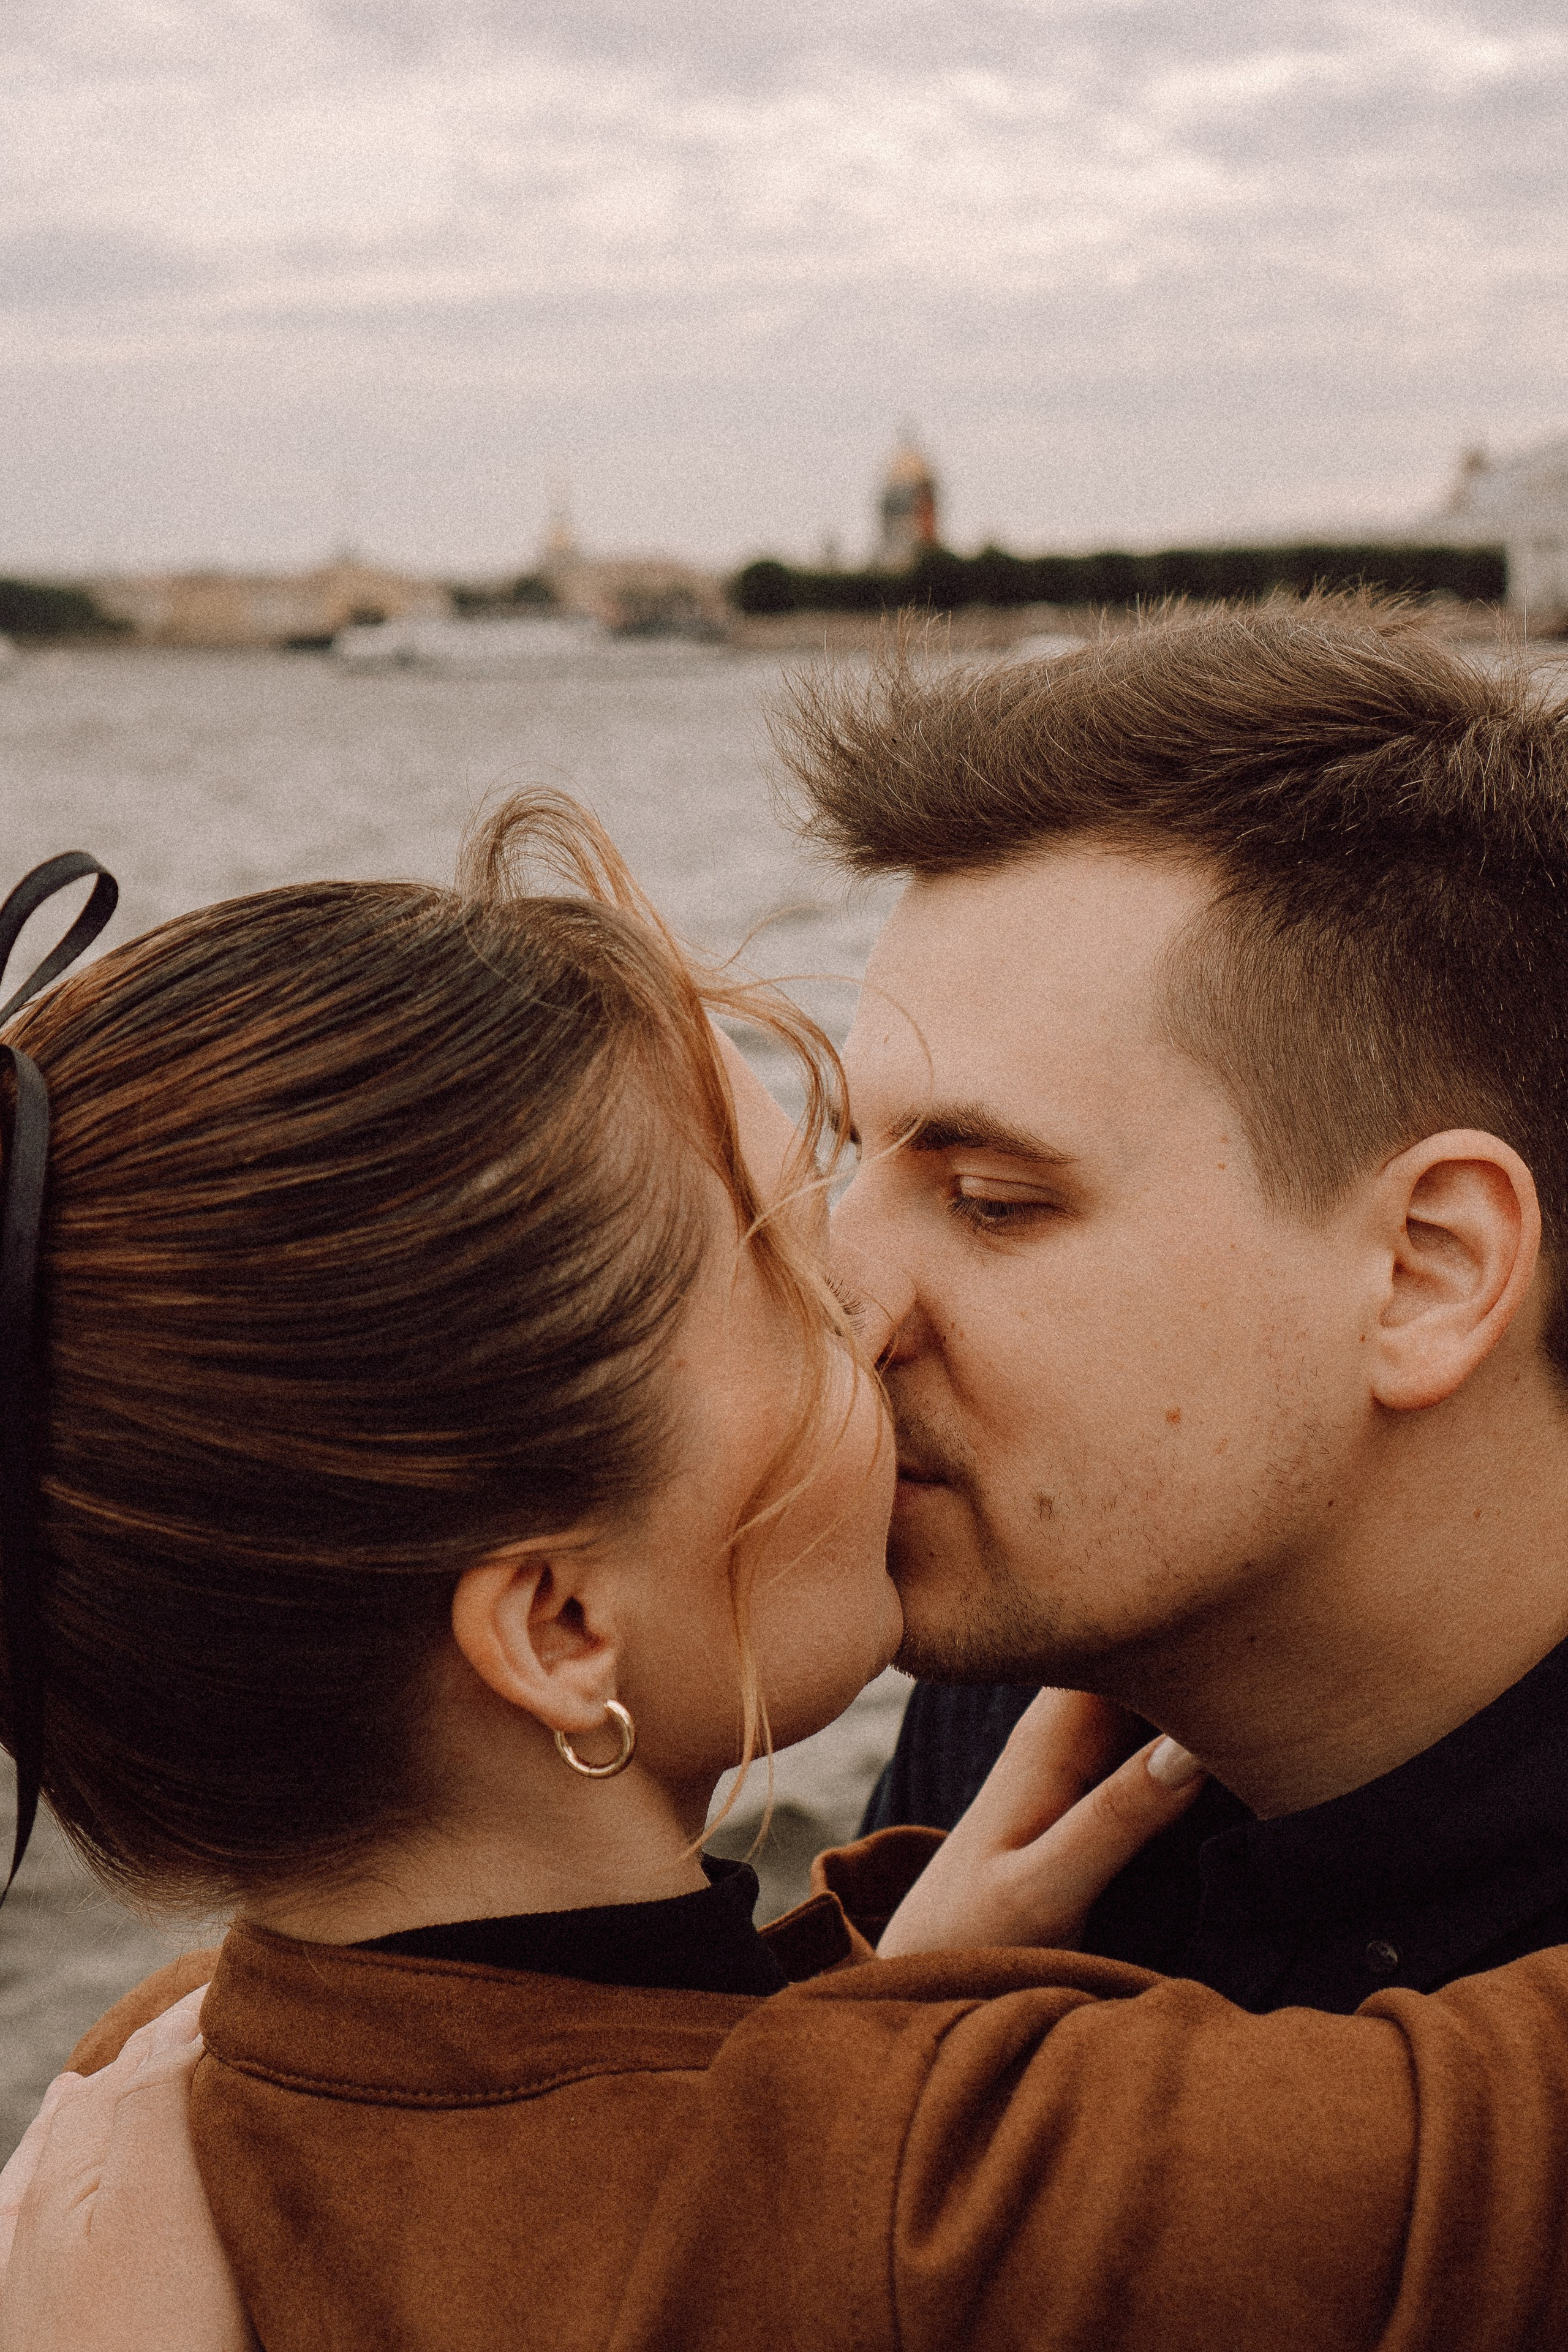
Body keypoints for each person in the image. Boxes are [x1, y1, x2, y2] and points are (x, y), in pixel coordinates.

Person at [6, 784, 1568, 2351]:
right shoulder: (942, 2199)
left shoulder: (152, 2093)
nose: (867, 1305)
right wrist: (888, 2094)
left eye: (983, 1201)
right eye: (785, 1279)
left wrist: (854, 1995)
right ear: (559, 1625)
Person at [779, 594, 1568, 2011]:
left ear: (1424, 1270)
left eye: (991, 1201)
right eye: (851, 1158)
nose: (839, 1302)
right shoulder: (1023, 1688)